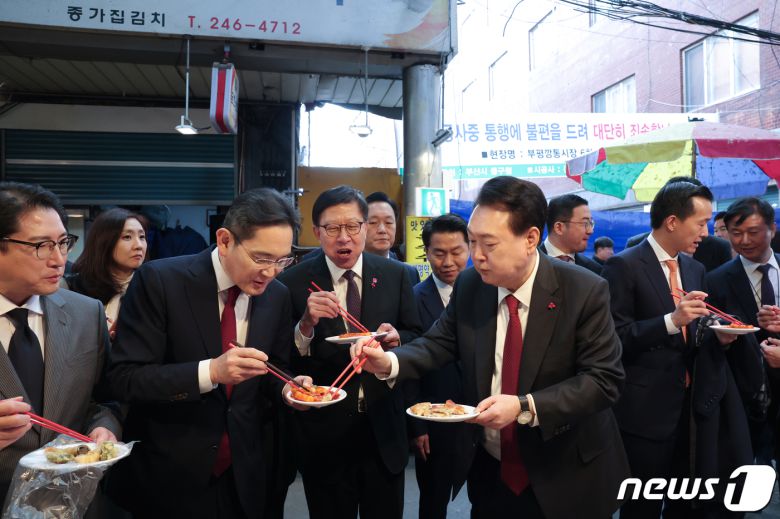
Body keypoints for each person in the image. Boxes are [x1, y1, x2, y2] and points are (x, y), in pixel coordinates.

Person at [352, 176, 629, 519]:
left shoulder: (583, 290)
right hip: (491, 470)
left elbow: (603, 381)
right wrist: (388, 362)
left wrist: (524, 406)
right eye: (473, 242)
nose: (477, 257)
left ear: (530, 239)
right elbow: (439, 341)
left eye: (489, 244)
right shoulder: (472, 286)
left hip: (565, 469)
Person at [107, 188, 308, 519]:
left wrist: (288, 386)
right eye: (261, 258)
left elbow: (274, 368)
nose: (271, 272)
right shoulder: (160, 281)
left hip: (247, 472)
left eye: (282, 260)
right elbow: (125, 378)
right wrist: (211, 372)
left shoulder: (277, 296)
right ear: (225, 240)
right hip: (173, 473)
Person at [602, 181, 748, 518]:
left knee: (687, 502)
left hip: (694, 407)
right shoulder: (625, 266)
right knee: (642, 506)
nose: (706, 231)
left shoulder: (695, 268)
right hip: (644, 411)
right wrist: (670, 320)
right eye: (700, 223)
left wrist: (719, 334)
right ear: (672, 222)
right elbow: (614, 338)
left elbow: (696, 328)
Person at [278, 185, 422, 519]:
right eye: (332, 228)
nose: (344, 237)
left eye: (353, 227)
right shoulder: (294, 281)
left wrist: (397, 338)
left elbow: (418, 336)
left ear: (366, 227)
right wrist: (306, 324)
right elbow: (283, 354)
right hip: (325, 435)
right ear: (317, 232)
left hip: (384, 428)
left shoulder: (398, 274)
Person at [0, 182, 120, 502]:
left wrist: (106, 427)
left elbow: (106, 398)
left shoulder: (85, 313)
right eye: (41, 245)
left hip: (72, 498)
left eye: (63, 242)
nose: (59, 259)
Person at [707, 198, 777, 465]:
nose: (744, 240)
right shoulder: (715, 280)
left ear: (772, 228)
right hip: (744, 394)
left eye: (753, 232)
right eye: (736, 233)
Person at [408, 213, 470, 519]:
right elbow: (409, 368)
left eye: (456, 252)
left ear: (470, 248)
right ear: (427, 252)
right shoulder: (412, 299)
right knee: (433, 500)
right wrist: (418, 427)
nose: (448, 262)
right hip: (435, 420)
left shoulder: (488, 294)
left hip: (482, 415)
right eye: (439, 253)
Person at [66, 208, 147, 339]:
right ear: (104, 242)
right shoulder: (74, 287)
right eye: (127, 237)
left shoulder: (150, 288)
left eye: (142, 237)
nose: (139, 245)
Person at [539, 194, 602, 275]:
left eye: (591, 223)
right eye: (585, 223)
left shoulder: (594, 269)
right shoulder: (528, 263)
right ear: (559, 228)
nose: (590, 231)